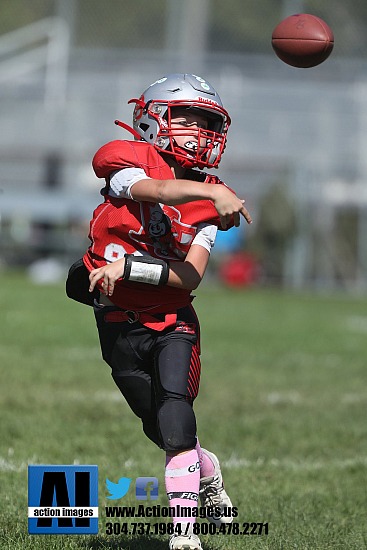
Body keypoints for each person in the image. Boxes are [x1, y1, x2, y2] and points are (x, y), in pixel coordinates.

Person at [67, 73, 252, 550]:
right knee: (157, 426)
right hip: (116, 319)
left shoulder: (212, 196)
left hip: (173, 322)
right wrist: (209, 195)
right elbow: (152, 191)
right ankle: (206, 472)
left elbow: (189, 277)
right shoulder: (125, 159)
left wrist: (129, 267)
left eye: (209, 123)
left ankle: (184, 536)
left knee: (175, 420)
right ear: (151, 121)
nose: (200, 133)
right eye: (188, 120)